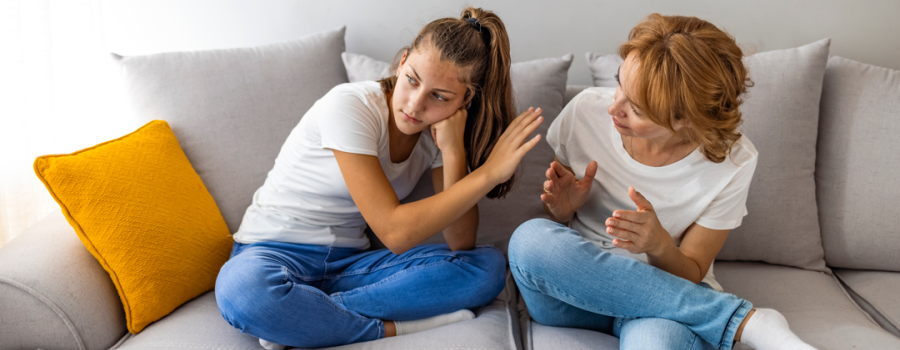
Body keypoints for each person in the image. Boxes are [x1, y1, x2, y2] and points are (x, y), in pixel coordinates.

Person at [214, 7, 545, 349]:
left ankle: (298, 318)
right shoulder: (350, 106)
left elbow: (460, 242)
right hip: (272, 255)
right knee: (241, 291)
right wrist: (490, 173)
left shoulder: (436, 135)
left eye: (439, 97)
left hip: (349, 268)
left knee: (486, 268)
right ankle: (389, 328)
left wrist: (453, 151)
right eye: (412, 80)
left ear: (465, 99)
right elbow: (395, 232)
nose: (415, 106)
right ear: (402, 62)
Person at [508, 14, 816, 350]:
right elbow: (556, 241)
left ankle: (723, 318)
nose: (614, 107)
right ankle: (740, 321)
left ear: (685, 119)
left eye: (637, 109)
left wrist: (659, 246)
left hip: (666, 303)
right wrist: (563, 211)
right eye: (619, 83)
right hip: (574, 296)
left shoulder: (733, 161)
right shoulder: (584, 112)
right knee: (528, 241)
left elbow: (693, 270)